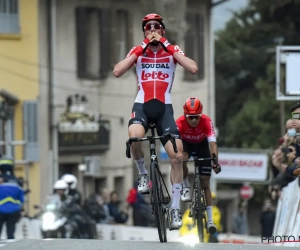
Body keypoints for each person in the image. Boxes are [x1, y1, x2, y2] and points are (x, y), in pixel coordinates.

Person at [113, 13, 198, 229]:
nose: (152, 30)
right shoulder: (137, 51)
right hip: (142, 106)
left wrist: (167, 45)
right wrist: (141, 47)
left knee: (177, 157)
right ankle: (143, 174)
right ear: (144, 32)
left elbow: (193, 68)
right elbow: (117, 71)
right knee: (134, 138)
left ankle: (176, 208)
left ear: (163, 31)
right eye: (148, 28)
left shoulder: (172, 50)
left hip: (164, 109)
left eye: (157, 27)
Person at [175, 97, 221, 233]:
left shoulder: (207, 121)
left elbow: (212, 143)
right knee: (181, 159)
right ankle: (185, 185)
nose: (194, 120)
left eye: (197, 117)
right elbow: (176, 145)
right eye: (191, 117)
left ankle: (210, 220)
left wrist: (215, 161)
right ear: (185, 116)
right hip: (186, 145)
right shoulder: (179, 123)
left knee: (205, 183)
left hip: (202, 146)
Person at [0, 173, 24, 239]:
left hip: (0, 211)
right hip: (13, 211)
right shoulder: (17, 186)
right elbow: (21, 200)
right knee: (10, 232)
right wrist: (18, 207)